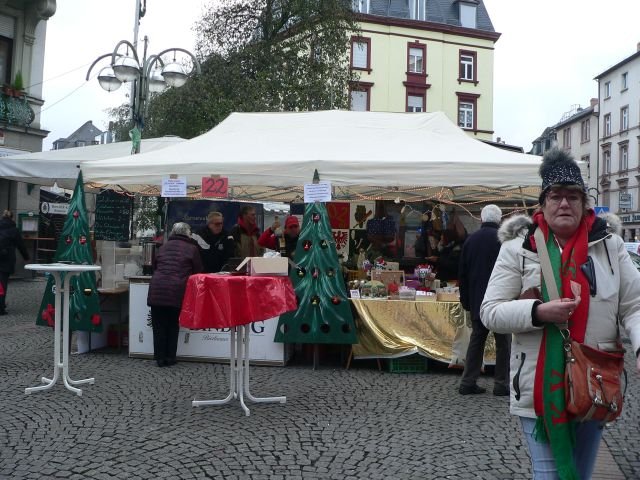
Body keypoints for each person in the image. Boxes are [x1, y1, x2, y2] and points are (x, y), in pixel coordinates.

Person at [481, 148, 640, 479]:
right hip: (536, 386)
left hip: (594, 381)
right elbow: (490, 312)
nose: (564, 203)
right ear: (543, 203)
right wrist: (538, 312)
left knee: (579, 475)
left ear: (584, 203)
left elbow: (634, 304)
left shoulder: (610, 247)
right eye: (556, 196)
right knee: (549, 473)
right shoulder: (517, 249)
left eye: (572, 196)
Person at [458, 204, 511, 396]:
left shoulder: (470, 240)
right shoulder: (504, 240)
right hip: (500, 299)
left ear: (481, 218)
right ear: (500, 220)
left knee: (476, 341)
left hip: (477, 300)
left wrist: (465, 300)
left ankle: (468, 381)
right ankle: (501, 383)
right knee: (503, 343)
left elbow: (462, 274)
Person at [147, 222, 202, 367]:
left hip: (157, 289)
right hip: (176, 291)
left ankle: (159, 358)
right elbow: (198, 271)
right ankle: (170, 357)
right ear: (187, 233)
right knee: (172, 324)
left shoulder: (163, 247)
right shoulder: (192, 249)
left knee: (158, 326)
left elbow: (155, 266)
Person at [0, 210, 29, 315]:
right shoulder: (14, 230)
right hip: (6, 260)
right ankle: (0, 307)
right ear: (12, 218)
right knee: (2, 284)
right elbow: (20, 245)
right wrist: (26, 257)